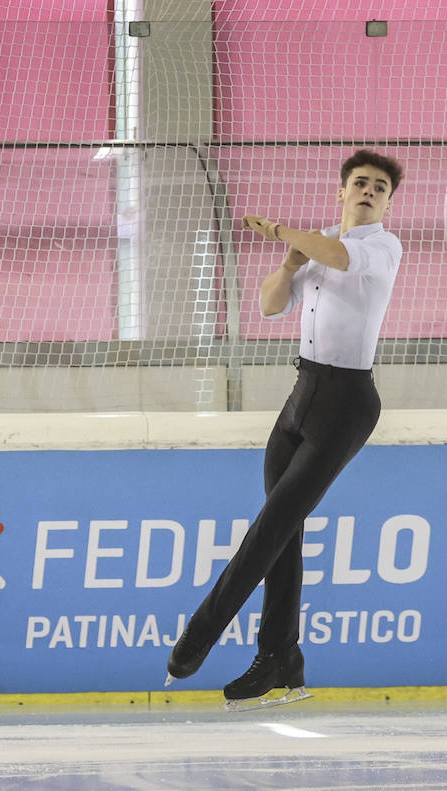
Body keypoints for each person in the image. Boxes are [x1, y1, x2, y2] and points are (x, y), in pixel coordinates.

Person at [166, 149, 404, 705]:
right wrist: (288, 263)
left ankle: (197, 637)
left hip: (346, 402)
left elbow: (340, 257)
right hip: (301, 396)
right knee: (285, 534)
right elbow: (272, 305)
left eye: (380, 187)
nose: (369, 191)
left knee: (270, 527)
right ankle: (280, 660)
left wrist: (278, 231)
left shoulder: (380, 246)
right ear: (341, 190)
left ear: (387, 202)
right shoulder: (314, 244)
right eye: (360, 183)